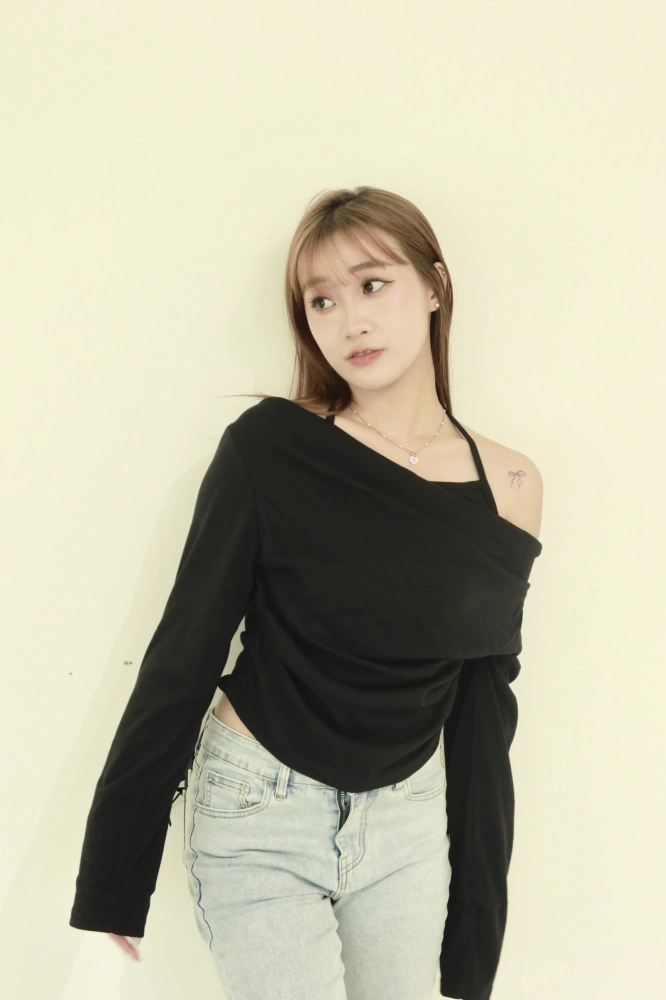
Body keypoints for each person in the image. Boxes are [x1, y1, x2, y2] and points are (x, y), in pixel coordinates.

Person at [70, 185, 543, 1000]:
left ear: (435, 285)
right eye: (321, 300)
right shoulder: (270, 450)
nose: (349, 320)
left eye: (372, 285)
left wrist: (475, 943)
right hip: (260, 803)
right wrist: (115, 873)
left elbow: (482, 714)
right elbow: (185, 650)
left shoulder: (510, 485)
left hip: (406, 820)